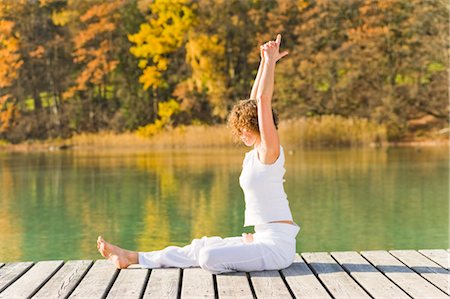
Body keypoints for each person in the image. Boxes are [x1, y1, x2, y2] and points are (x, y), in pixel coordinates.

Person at [97, 34, 300, 274]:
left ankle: (243, 253)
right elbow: (254, 102)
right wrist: (266, 63)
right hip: (261, 239)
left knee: (208, 256)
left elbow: (263, 101)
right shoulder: (255, 154)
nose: (241, 134)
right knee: (201, 246)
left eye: (245, 128)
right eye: (239, 129)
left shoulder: (270, 152)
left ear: (258, 124)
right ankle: (132, 257)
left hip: (276, 247)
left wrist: (269, 62)